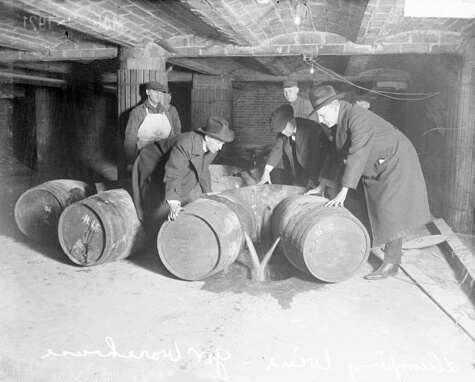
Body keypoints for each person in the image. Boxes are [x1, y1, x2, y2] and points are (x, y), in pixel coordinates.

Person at [307, 85, 431, 280]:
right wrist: (322, 184)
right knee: (372, 205)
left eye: (322, 115)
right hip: (378, 162)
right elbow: (336, 155)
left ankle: (392, 263)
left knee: (390, 210)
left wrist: (344, 190)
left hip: (396, 160)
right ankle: (370, 244)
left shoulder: (358, 118)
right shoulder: (339, 119)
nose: (321, 120)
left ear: (333, 106)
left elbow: (357, 154)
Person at [132, 116, 234, 237]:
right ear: (207, 137)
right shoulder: (185, 144)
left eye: (222, 143)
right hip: (151, 159)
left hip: (169, 161)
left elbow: (203, 169)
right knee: (153, 199)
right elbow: (174, 172)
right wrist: (174, 202)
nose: (220, 147)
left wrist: (208, 193)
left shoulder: (213, 148)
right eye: (218, 142)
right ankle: (148, 235)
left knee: (178, 190)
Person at [258, 104, 330, 187]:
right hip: (300, 171)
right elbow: (277, 150)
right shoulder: (283, 132)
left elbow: (316, 159)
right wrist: (266, 173)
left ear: (292, 120)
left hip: (322, 172)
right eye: (281, 131)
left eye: (284, 129)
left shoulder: (311, 129)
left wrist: (311, 180)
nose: (283, 133)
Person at [124, 81, 182, 164]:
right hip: (143, 158)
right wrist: (130, 162)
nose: (158, 95)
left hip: (163, 157)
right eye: (155, 92)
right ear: (147, 92)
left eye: (160, 92)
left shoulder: (165, 112)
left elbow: (172, 135)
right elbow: (130, 140)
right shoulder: (137, 112)